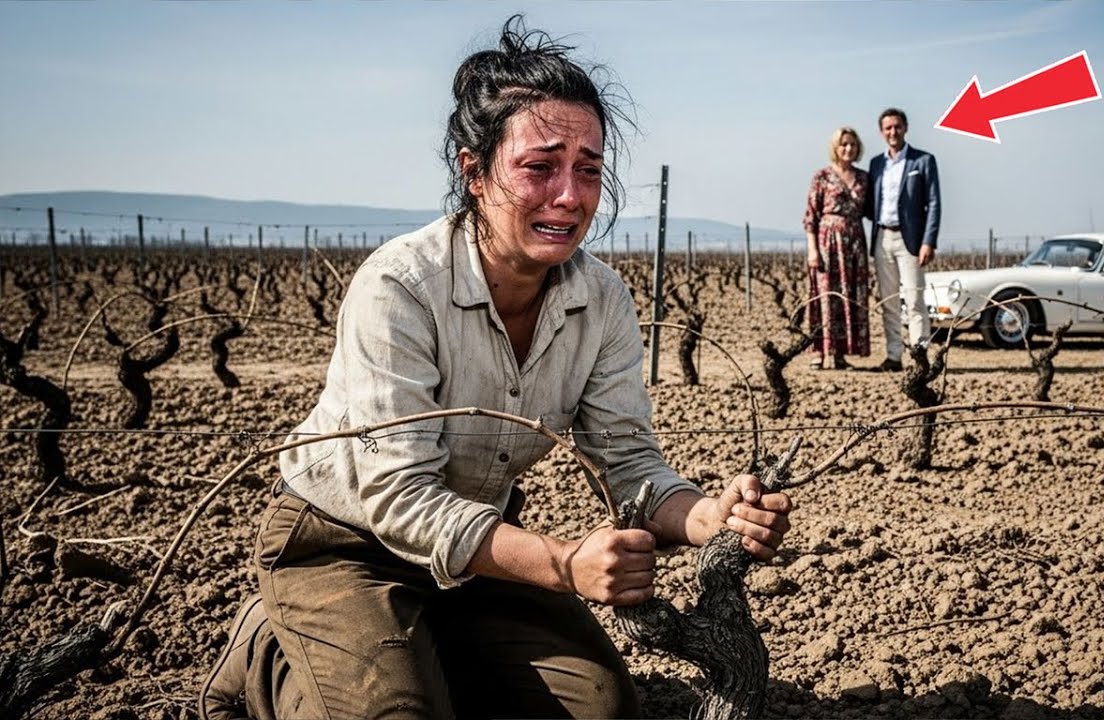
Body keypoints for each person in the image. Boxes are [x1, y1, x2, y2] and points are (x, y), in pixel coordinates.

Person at [198, 16, 793, 720]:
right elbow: (398, 501)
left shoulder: (600, 300)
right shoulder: (400, 286)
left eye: (589, 170)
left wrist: (704, 515)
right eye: (540, 167)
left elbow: (629, 463)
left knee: (602, 709)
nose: (569, 196)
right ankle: (273, 645)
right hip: (342, 547)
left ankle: (427, 648)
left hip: (479, 551)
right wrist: (566, 565)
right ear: (474, 172)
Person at [866, 107, 941, 372]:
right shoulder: (876, 164)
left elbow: (933, 203)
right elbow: (868, 203)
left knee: (915, 300)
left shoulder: (923, 161)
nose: (893, 132)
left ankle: (919, 357)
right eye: (888, 128)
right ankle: (893, 357)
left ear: (905, 128)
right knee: (889, 301)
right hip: (881, 238)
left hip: (911, 240)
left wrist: (928, 241)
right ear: (881, 132)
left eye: (897, 127)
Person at [801, 126, 872, 370]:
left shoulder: (864, 178)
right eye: (843, 144)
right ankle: (819, 351)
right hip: (827, 242)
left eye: (852, 144)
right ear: (835, 147)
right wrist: (812, 249)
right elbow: (811, 215)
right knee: (824, 296)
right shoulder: (822, 176)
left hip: (854, 244)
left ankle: (840, 353)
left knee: (848, 297)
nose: (848, 148)